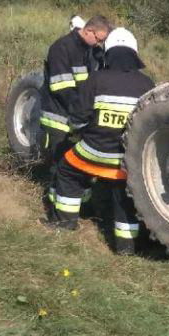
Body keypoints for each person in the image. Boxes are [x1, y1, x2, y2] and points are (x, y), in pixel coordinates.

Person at [45, 28, 155, 255]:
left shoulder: (96, 79)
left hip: (93, 152)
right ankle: (126, 247)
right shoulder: (147, 85)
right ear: (134, 54)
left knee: (67, 170)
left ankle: (65, 224)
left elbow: (77, 119)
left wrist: (82, 132)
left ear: (108, 53)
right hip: (126, 161)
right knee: (124, 195)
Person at [39, 16, 113, 204]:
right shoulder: (62, 48)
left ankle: (81, 206)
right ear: (88, 31)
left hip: (77, 119)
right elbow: (61, 88)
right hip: (59, 118)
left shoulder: (89, 50)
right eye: (99, 39)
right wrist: (84, 112)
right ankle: (55, 209)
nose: (100, 44)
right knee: (60, 167)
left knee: (78, 167)